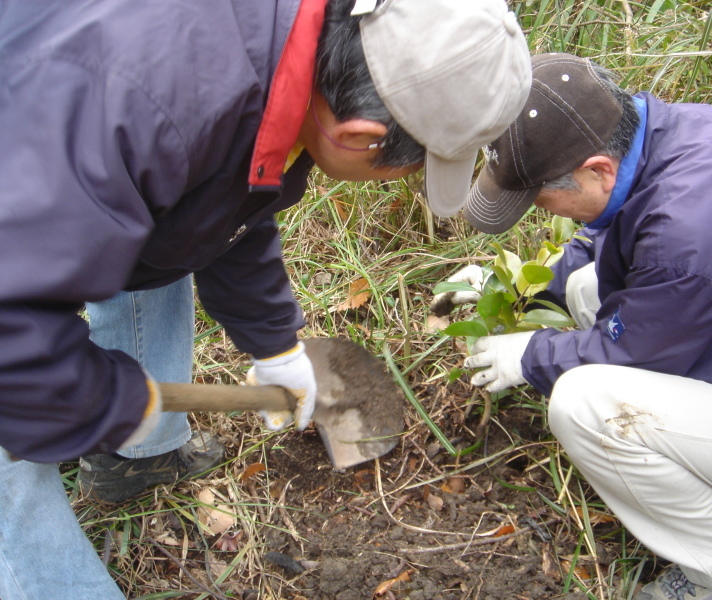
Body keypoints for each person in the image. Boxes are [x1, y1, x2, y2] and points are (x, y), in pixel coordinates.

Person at [0, 1, 532, 597]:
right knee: (11, 484)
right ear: (358, 136)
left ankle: (138, 458)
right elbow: (11, 346)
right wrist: (113, 399)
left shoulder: (275, 49)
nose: (404, 181)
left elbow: (223, 197)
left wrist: (275, 343)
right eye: (407, 170)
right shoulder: (146, 106)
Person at [435, 52, 712, 600]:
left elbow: (635, 354)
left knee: (587, 406)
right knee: (587, 283)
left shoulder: (689, 236)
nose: (538, 209)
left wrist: (533, 355)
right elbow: (612, 233)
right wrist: (508, 288)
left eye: (539, 196)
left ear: (597, 169)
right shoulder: (677, 134)